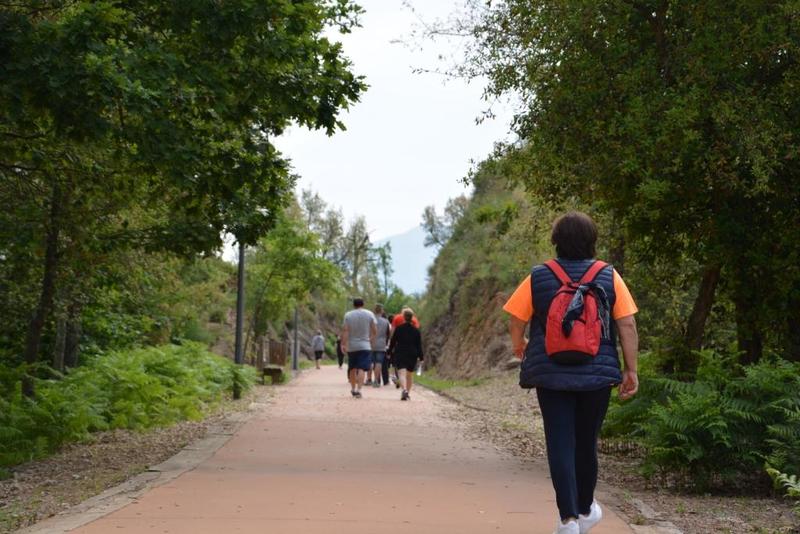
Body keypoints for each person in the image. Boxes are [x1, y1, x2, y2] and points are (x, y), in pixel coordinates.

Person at [503, 211, 639, 534]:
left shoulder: (538, 276)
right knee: (586, 442)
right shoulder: (608, 275)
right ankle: (585, 507)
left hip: (550, 374)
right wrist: (631, 369)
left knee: (560, 442)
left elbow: (515, 318)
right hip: (598, 374)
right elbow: (627, 324)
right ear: (592, 241)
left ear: (556, 241)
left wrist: (518, 344)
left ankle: (568, 520)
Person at [342, 297, 377, 398]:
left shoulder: (348, 315)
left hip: (352, 346)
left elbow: (345, 330)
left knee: (352, 368)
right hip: (365, 346)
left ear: (354, 305)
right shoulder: (369, 314)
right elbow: (375, 330)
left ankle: (353, 388)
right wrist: (370, 339)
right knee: (361, 368)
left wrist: (343, 344)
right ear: (363, 304)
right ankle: (359, 389)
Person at [388, 309, 424, 401]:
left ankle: (404, 390)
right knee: (410, 374)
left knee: (401, 373)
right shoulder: (416, 331)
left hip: (401, 352)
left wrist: (389, 352)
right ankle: (407, 392)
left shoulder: (399, 329)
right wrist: (421, 357)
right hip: (412, 353)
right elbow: (419, 345)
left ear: (403, 317)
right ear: (412, 317)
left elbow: (393, 341)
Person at [370, 304, 391, 387]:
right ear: (382, 311)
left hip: (371, 343)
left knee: (372, 362)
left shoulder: (371, 320)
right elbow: (388, 334)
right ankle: (376, 380)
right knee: (379, 362)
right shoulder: (386, 321)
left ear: (374, 310)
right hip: (381, 344)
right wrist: (386, 343)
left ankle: (369, 378)